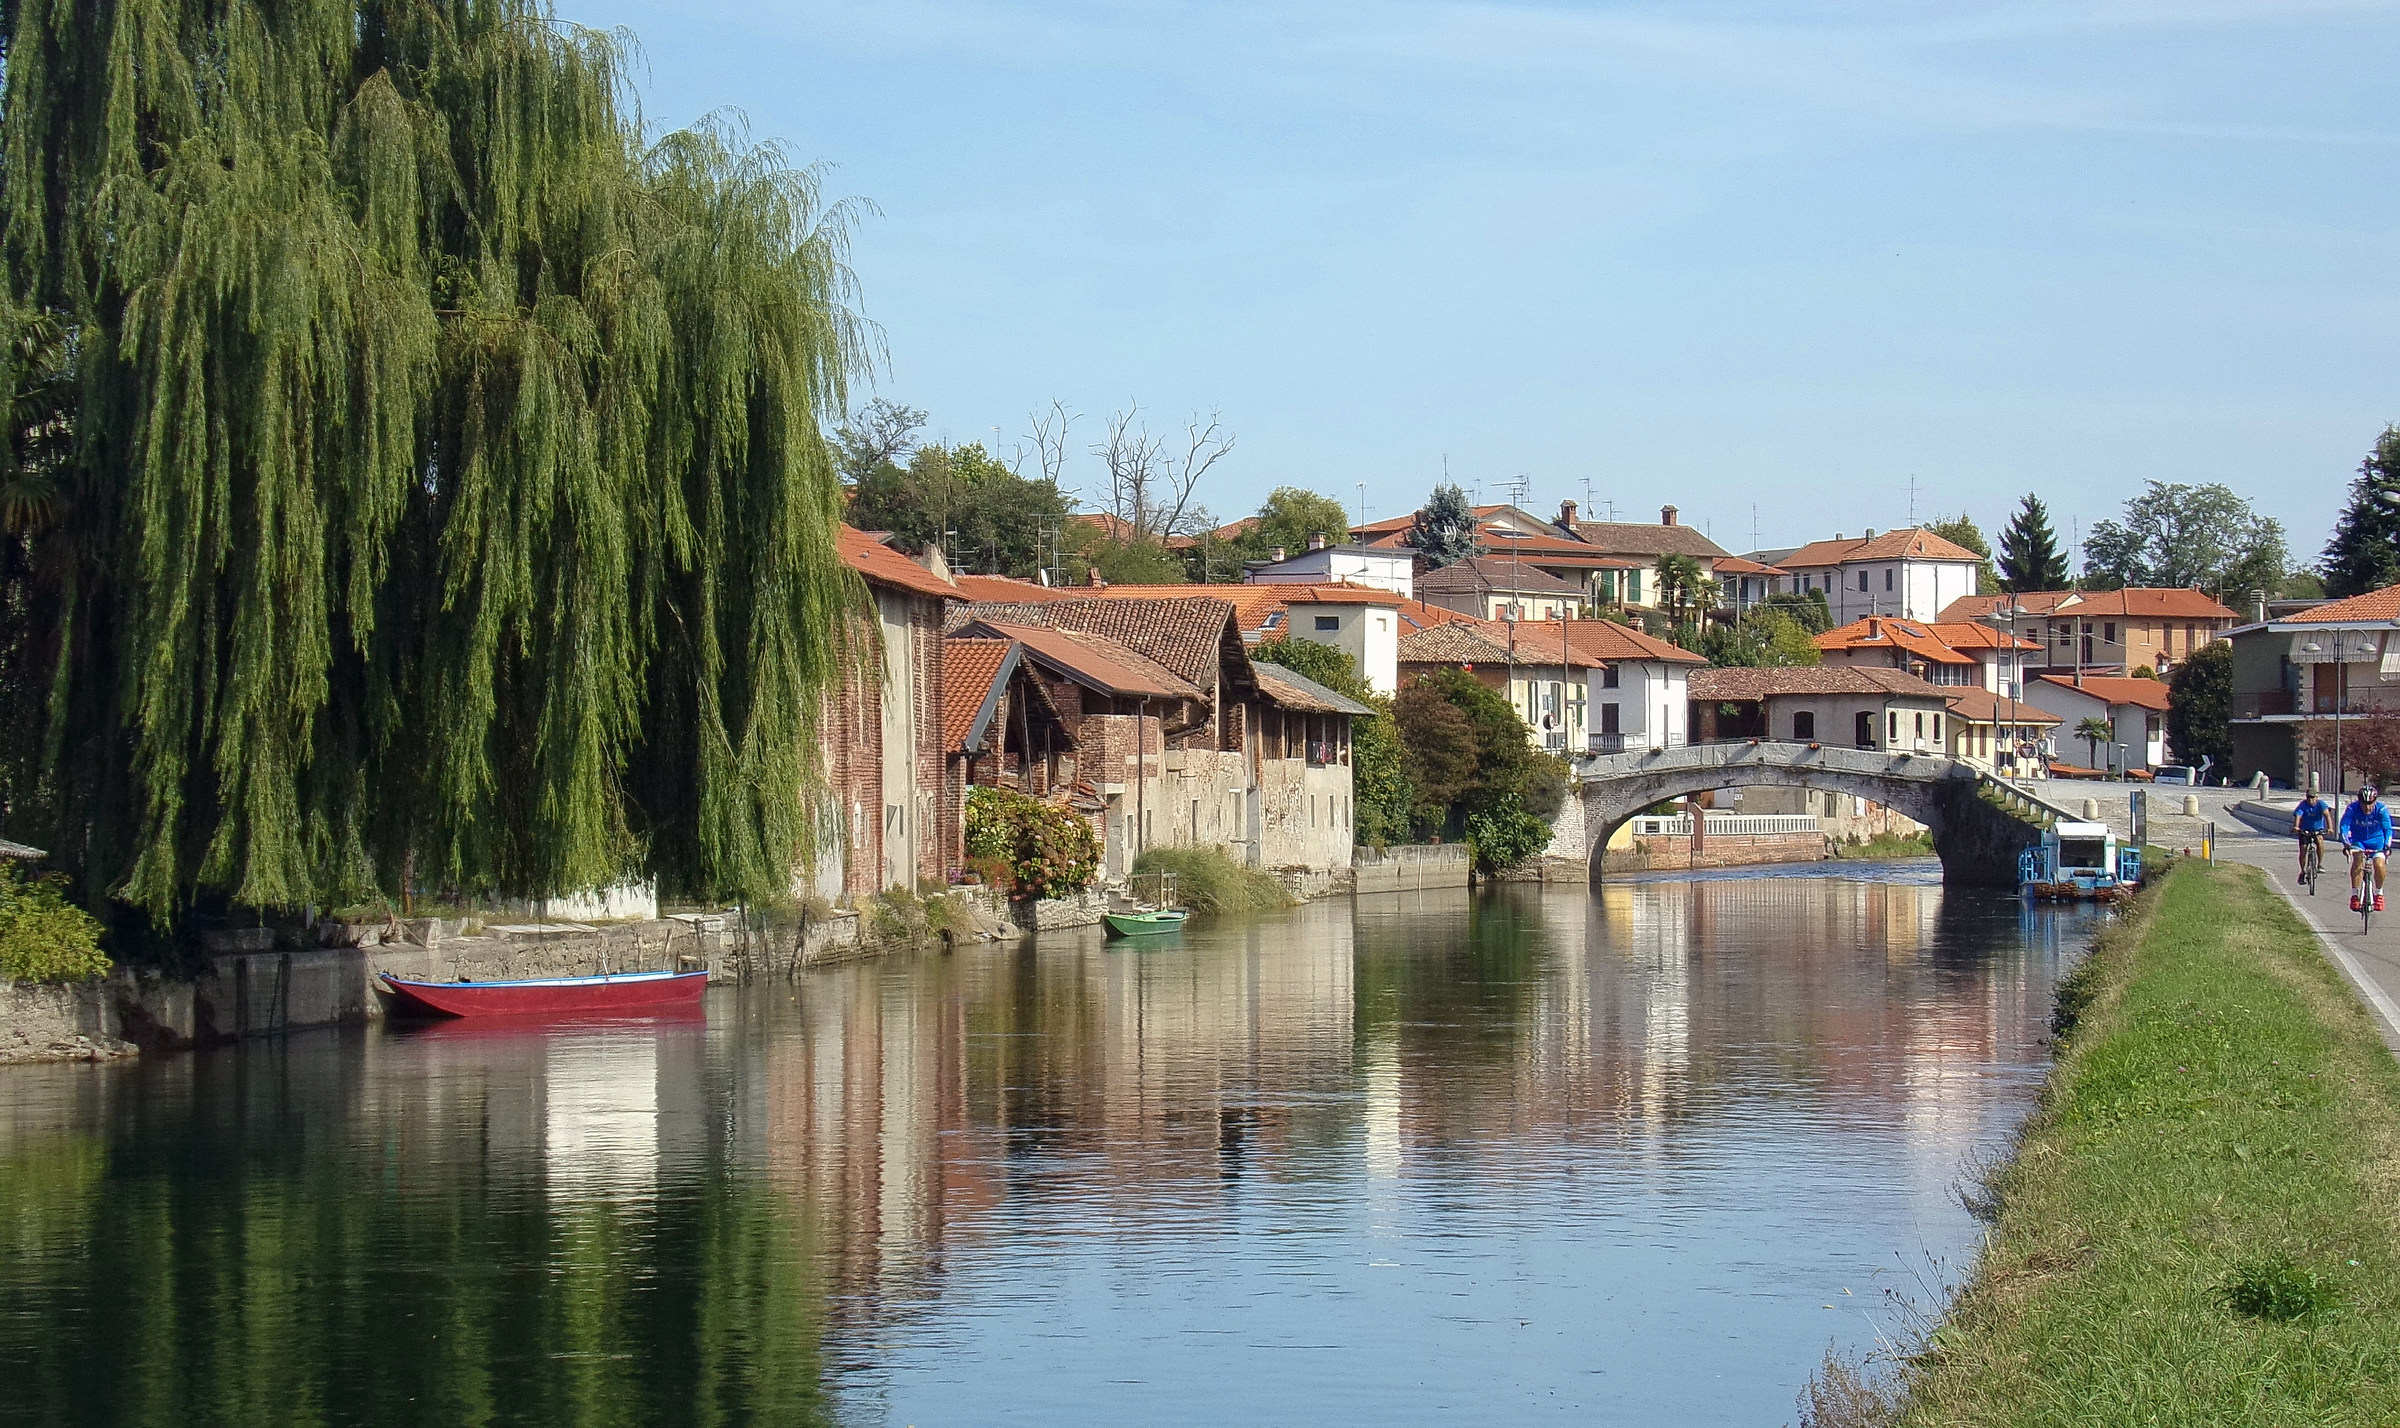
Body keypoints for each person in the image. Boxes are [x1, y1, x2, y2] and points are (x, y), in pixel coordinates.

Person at [2340, 784, 2392, 914]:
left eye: (2370, 803)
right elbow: (2344, 827)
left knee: (2379, 864)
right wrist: (2346, 844)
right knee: (2358, 860)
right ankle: (2355, 895)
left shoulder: (2381, 810)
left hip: (2377, 842)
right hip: (2359, 840)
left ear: (2375, 801)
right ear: (2359, 801)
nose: (2367, 807)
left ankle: (2379, 893)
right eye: (2364, 803)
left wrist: (2387, 846)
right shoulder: (2352, 809)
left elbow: (2388, 829)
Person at [2293, 790, 2333, 882]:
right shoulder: (2303, 805)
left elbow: (2327, 815)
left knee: (2320, 842)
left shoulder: (2321, 804)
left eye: (2312, 797)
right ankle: (2302, 872)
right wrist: (2296, 827)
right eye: (2308, 797)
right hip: (2305, 830)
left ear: (2316, 797)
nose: (2310, 800)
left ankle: (2319, 864)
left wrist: (2330, 828)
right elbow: (2298, 815)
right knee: (2303, 849)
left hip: (2317, 830)